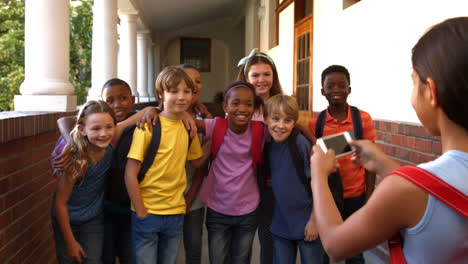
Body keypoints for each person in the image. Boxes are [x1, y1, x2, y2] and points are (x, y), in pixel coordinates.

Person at [310, 17, 468, 264]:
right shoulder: (411, 188)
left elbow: (335, 244)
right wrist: (386, 165)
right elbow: (431, 192)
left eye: (414, 81)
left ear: (431, 92)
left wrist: (318, 174)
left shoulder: (403, 190)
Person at [237, 48, 315, 264]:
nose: (261, 80)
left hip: (281, 186)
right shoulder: (240, 107)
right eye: (255, 75)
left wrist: (320, 149)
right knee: (254, 243)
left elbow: (302, 131)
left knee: (277, 242)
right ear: (246, 77)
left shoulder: (281, 105)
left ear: (274, 76)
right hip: (249, 185)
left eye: (266, 74)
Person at [125, 66, 209, 264]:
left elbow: (196, 161)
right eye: (174, 91)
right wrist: (140, 210)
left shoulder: (188, 128)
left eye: (186, 91)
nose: (181, 97)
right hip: (148, 210)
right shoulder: (147, 126)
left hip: (175, 212)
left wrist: (218, 139)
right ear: (161, 94)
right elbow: (130, 173)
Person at [51, 100, 152, 264]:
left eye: (109, 127)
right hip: (66, 218)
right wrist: (70, 242)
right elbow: (60, 204)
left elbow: (147, 110)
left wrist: (152, 112)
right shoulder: (75, 159)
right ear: (82, 130)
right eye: (96, 129)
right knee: (68, 259)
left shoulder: (111, 140)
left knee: (93, 260)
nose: (104, 133)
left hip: (93, 219)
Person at [309, 64, 377, 263]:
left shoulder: (362, 118)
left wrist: (369, 195)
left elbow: (371, 160)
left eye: (342, 85)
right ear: (323, 91)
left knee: (355, 251)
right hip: (328, 196)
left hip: (355, 196)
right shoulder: (316, 122)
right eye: (330, 86)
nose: (336, 90)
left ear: (350, 89)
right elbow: (315, 159)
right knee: (323, 249)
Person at [196, 81, 264, 264]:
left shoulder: (259, 130)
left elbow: (293, 126)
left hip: (248, 210)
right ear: (225, 106)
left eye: (248, 104)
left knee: (241, 260)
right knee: (217, 259)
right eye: (235, 103)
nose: (242, 109)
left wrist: (314, 142)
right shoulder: (215, 126)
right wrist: (151, 111)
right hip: (218, 209)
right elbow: (180, 121)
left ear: (254, 107)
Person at [263, 95, 324, 264]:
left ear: (294, 122)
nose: (281, 126)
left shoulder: (300, 144)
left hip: (308, 223)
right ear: (266, 118)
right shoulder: (268, 145)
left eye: (287, 120)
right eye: (275, 119)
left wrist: (314, 221)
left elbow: (319, 186)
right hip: (282, 223)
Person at [179, 64, 212, 264]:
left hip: (195, 190)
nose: (194, 85)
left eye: (198, 81)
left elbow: (202, 162)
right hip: (165, 193)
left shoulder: (202, 117)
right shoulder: (162, 114)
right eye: (188, 81)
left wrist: (191, 196)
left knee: (193, 244)